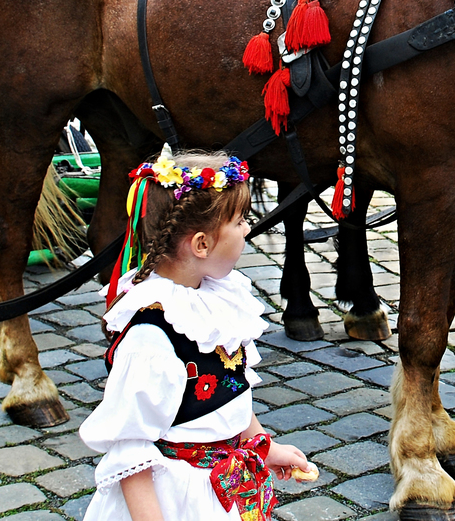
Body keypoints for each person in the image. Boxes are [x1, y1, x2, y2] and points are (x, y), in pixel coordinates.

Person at [79, 148, 315, 521]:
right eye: (239, 221)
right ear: (202, 244)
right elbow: (131, 448)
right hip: (177, 498)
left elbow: (232, 390)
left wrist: (262, 446)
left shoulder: (218, 303)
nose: (247, 228)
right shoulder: (151, 337)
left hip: (223, 489)